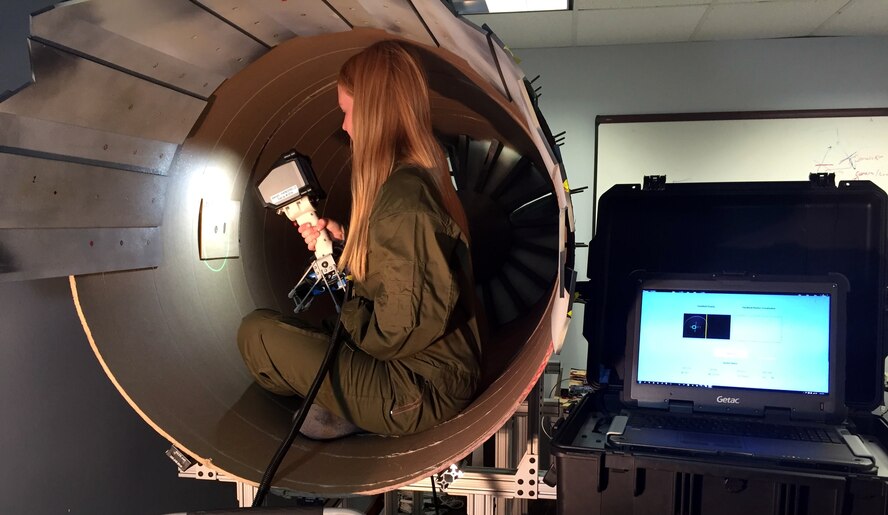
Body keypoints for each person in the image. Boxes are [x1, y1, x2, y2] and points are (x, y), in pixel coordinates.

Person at [237, 40, 482, 438]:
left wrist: (345, 318)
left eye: (347, 112)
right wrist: (343, 244)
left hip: (417, 389)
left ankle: (348, 405)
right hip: (421, 370)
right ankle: (344, 398)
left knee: (257, 335)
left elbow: (397, 331)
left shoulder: (404, 200)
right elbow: (406, 267)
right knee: (283, 334)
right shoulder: (415, 180)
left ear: (374, 114)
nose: (345, 126)